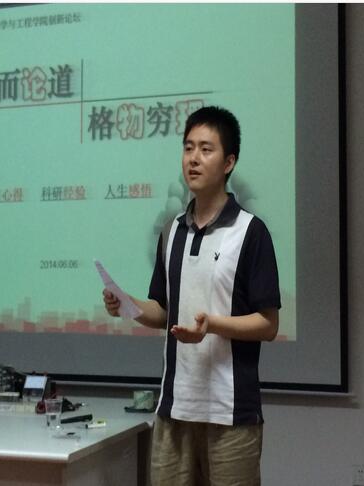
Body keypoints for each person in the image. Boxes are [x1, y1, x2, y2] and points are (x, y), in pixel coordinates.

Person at [103, 106, 281, 486]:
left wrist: (211, 325)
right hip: (175, 409)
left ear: (229, 162)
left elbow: (268, 324)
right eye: (188, 148)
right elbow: (163, 311)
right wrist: (127, 304)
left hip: (231, 412)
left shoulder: (251, 232)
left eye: (205, 149)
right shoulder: (172, 232)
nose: (193, 159)